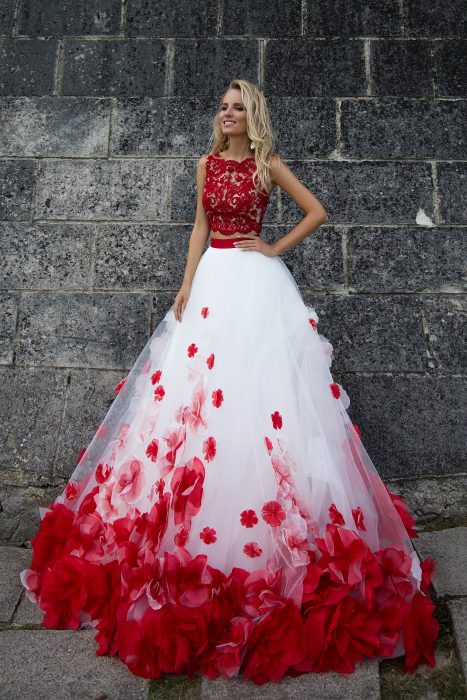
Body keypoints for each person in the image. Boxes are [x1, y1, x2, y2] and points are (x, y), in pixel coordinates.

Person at [20, 78, 438, 685]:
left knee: (263, 403)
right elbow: (198, 226)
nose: (229, 114)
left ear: (254, 115)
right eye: (223, 106)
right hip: (213, 280)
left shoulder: (267, 163)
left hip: (257, 286)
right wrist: (186, 282)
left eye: (239, 107)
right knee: (192, 406)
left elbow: (316, 211)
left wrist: (273, 248)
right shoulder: (206, 164)